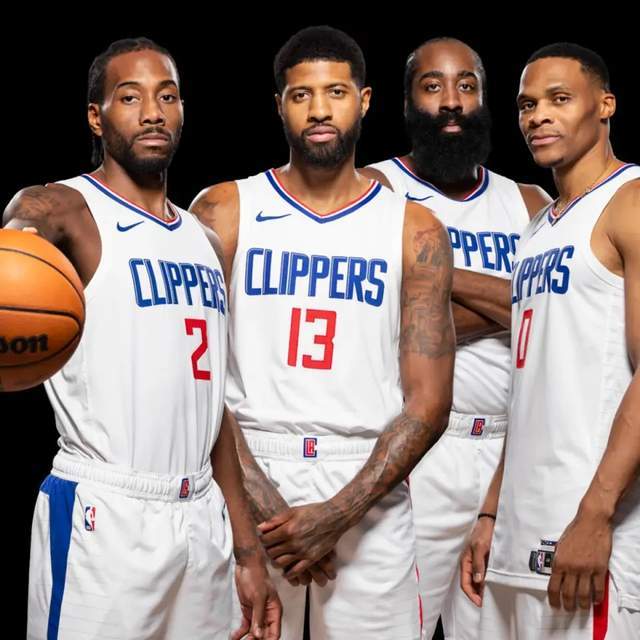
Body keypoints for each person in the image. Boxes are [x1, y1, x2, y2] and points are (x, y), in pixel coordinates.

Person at [4, 37, 280, 640]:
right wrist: (18, 247)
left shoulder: (205, 242)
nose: (153, 112)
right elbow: (21, 236)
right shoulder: (65, 209)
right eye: (130, 98)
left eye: (167, 96)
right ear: (96, 116)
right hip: (107, 513)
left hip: (201, 517)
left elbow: (211, 407)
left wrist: (247, 549)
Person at [190, 25, 455, 640]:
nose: (318, 110)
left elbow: (431, 402)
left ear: (364, 101)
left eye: (335, 92)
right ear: (279, 105)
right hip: (247, 467)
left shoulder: (414, 228)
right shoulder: (224, 210)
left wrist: (338, 514)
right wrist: (263, 503)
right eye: (300, 95)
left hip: (368, 477)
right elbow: (193, 376)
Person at [361, 37, 551, 639]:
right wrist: (519, 297)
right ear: (407, 102)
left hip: (510, 454)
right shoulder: (374, 190)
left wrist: (428, 276)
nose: (451, 101)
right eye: (433, 86)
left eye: (466, 86)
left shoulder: (529, 201)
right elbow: (382, 325)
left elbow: (557, 318)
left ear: (485, 101)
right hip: (417, 451)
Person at [461, 42, 639, 639]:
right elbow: (528, 388)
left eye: (559, 99)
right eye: (527, 104)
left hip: (589, 527)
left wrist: (596, 513)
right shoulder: (538, 228)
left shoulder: (630, 203)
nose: (538, 116)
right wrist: (492, 511)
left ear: (605, 104)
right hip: (520, 526)